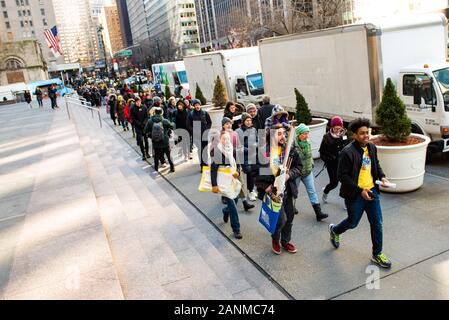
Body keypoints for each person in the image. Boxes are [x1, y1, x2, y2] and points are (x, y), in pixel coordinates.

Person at [329, 118, 392, 269]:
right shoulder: (347, 152)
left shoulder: (371, 147)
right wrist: (359, 191)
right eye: (362, 133)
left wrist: (382, 177)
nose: (366, 136)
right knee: (353, 222)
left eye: (367, 133)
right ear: (355, 135)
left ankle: (377, 254)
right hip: (355, 195)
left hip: (372, 191)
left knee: (377, 223)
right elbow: (342, 176)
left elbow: (376, 164)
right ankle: (335, 230)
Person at [256, 124, 303, 255]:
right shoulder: (264, 153)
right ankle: (275, 239)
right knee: (280, 219)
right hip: (274, 193)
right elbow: (256, 174)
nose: (283, 137)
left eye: (284, 133)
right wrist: (266, 186)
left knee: (290, 218)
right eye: (279, 134)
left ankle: (285, 241)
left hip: (288, 190)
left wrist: (289, 175)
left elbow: (299, 167)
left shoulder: (290, 150)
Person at [211, 130, 242, 239]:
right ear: (220, 139)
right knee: (233, 206)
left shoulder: (232, 150)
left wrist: (237, 171)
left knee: (236, 200)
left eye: (228, 139)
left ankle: (225, 211)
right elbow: (213, 169)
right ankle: (236, 229)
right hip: (223, 181)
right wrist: (214, 185)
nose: (226, 141)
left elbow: (237, 163)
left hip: (232, 180)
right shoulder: (217, 151)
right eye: (224, 139)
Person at [295, 124, 328, 221]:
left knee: (312, 191)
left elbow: (310, 156)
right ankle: (291, 207)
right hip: (297, 173)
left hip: (307, 172)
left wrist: (312, 164)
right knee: (294, 192)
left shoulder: (308, 142)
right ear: (299, 134)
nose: (307, 136)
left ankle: (319, 213)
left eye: (307, 133)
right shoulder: (293, 145)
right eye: (305, 133)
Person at [222, 117, 254, 211]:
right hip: (225, 162)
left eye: (230, 123)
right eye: (226, 123)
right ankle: (225, 199)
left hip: (236, 161)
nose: (228, 125)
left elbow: (239, 146)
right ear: (223, 125)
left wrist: (245, 150)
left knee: (240, 182)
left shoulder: (234, 133)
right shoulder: (220, 135)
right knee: (228, 183)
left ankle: (244, 202)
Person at [319, 116, 350, 203]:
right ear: (332, 127)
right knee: (334, 183)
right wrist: (330, 159)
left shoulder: (345, 135)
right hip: (332, 165)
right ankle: (325, 192)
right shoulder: (326, 137)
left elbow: (349, 146)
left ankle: (347, 202)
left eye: (339, 128)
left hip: (344, 164)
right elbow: (322, 153)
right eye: (335, 129)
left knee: (346, 183)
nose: (337, 131)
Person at [236, 113, 259, 202]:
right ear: (243, 122)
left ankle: (251, 191)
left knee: (252, 174)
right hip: (243, 157)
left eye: (250, 120)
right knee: (249, 172)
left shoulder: (254, 130)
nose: (249, 122)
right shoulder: (238, 131)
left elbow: (257, 141)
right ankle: (245, 192)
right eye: (247, 120)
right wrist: (249, 149)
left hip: (253, 156)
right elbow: (239, 146)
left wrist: (255, 146)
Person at [144, 107, 175, 172]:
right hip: (165, 141)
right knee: (168, 155)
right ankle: (172, 167)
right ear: (161, 113)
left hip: (156, 142)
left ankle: (156, 168)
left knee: (156, 155)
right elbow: (172, 127)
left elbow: (145, 131)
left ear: (154, 112)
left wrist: (151, 135)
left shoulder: (150, 121)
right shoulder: (165, 120)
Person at [188, 99, 212, 170]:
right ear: (194, 106)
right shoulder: (191, 114)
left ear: (200, 105)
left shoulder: (205, 113)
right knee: (200, 150)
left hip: (205, 134)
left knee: (205, 149)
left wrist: (207, 129)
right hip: (197, 135)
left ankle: (206, 164)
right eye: (195, 105)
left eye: (198, 104)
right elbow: (188, 125)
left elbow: (209, 122)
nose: (197, 106)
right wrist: (194, 131)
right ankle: (202, 166)